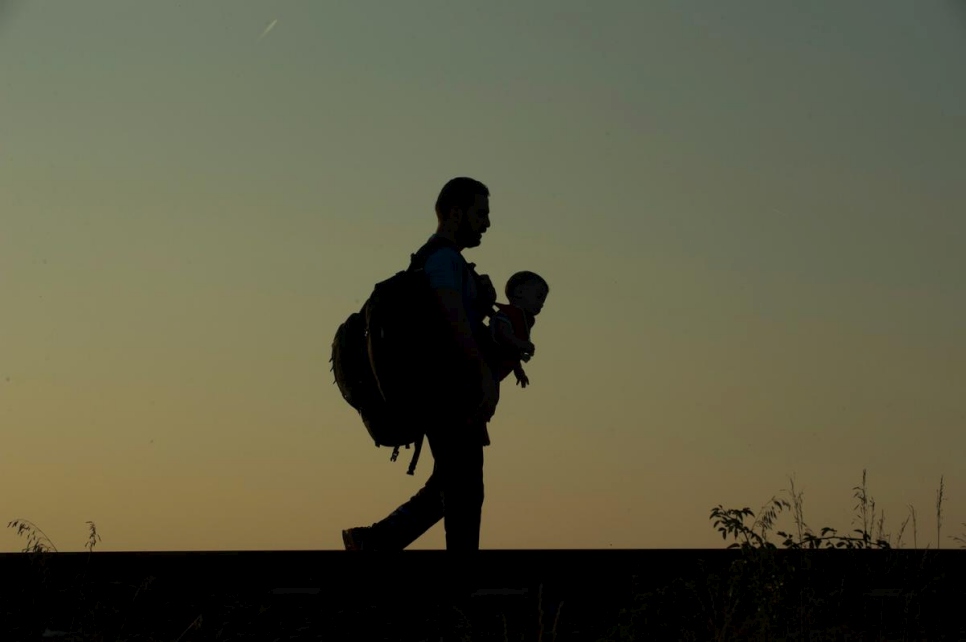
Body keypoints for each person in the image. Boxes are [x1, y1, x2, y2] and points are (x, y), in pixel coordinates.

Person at [341, 176, 498, 552]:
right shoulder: (443, 259)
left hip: (442, 391)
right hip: (447, 392)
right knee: (464, 488)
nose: (487, 223)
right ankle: (462, 582)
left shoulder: (437, 260)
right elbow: (452, 318)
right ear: (455, 212)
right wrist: (482, 376)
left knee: (449, 482)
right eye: (481, 213)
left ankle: (375, 541)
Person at [488, 271, 549, 389]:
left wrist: (518, 370)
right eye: (539, 297)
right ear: (519, 292)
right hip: (486, 364)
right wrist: (521, 343)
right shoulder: (507, 314)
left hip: (496, 373)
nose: (541, 304)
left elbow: (513, 352)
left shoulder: (524, 320)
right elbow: (502, 334)